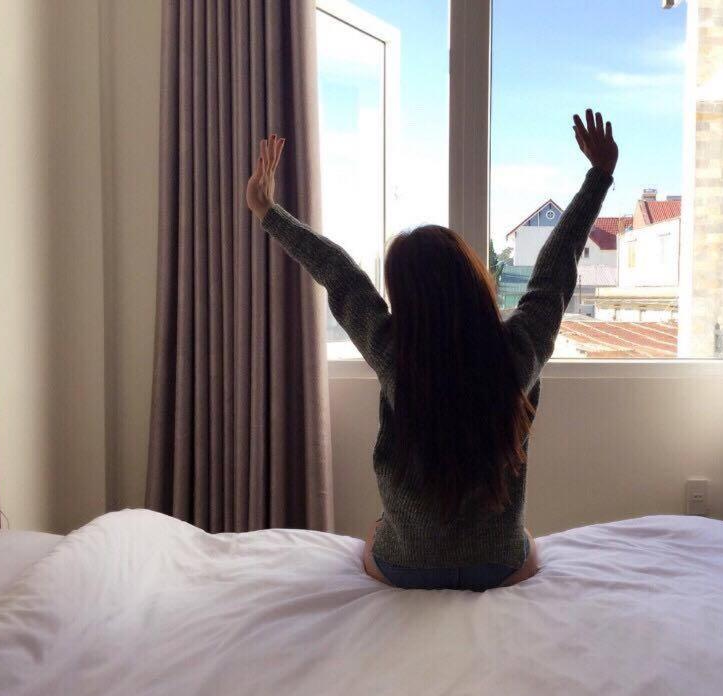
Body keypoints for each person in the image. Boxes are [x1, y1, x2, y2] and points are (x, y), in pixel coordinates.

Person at [246, 109, 618, 591]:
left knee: (375, 534)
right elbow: (554, 271)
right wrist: (598, 177)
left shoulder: (393, 355)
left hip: (406, 566)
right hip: (498, 566)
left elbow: (339, 275)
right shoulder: (517, 353)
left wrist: (267, 212)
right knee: (526, 540)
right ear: (472, 280)